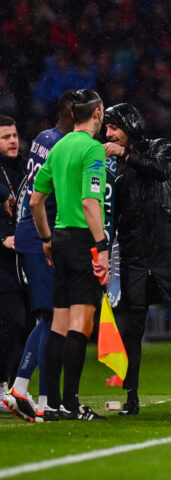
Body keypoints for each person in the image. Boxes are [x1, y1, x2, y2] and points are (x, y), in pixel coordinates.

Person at [101, 103, 171, 416]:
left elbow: (158, 169)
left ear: (131, 125)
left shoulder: (163, 149)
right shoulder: (110, 166)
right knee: (131, 331)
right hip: (135, 256)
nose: (108, 135)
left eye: (114, 128)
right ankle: (130, 399)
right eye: (106, 129)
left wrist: (122, 155)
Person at [30, 89, 109, 421]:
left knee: (59, 323)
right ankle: (72, 404)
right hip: (82, 241)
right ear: (97, 114)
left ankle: (51, 402)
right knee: (82, 322)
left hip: (60, 238)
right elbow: (91, 203)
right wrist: (101, 246)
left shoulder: (59, 147)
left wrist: (46, 238)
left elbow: (36, 200)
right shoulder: (92, 150)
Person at [3, 92, 76, 422]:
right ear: (74, 115)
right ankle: (31, 392)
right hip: (40, 238)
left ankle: (36, 394)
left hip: (34, 234)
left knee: (51, 316)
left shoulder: (45, 138)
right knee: (51, 316)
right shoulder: (61, 145)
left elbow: (31, 190)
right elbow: (51, 195)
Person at [0, 114, 27, 415]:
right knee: (13, 323)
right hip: (3, 261)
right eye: (5, 136)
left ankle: (15, 388)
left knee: (22, 324)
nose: (12, 141)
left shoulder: (23, 169)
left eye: (15, 135)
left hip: (23, 259)